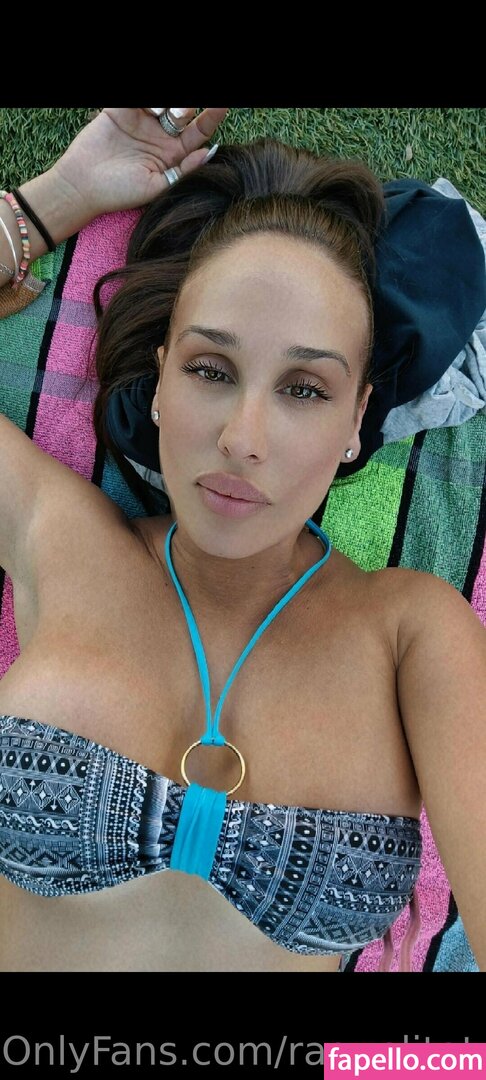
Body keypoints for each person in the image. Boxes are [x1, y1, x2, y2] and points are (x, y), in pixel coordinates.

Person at [0, 108, 485, 975]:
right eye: (210, 370)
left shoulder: (414, 633)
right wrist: (53, 201)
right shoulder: (61, 537)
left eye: (303, 388)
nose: (242, 438)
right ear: (159, 384)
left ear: (356, 420)